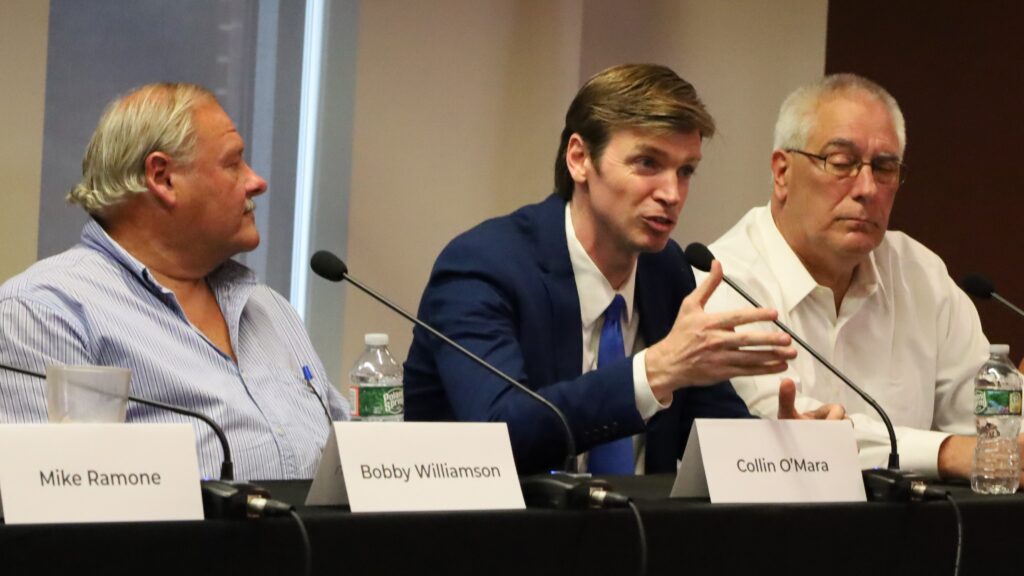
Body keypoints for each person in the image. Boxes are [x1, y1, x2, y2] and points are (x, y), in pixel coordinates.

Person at [404, 64, 842, 475]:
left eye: (685, 170)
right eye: (647, 163)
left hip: (636, 544)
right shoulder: (483, 267)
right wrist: (653, 372)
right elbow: (499, 432)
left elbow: (712, 429)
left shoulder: (666, 270)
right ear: (579, 159)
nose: (672, 193)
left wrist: (788, 450)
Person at [0, 83, 348, 480]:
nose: (257, 182)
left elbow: (345, 470)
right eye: (234, 164)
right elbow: (55, 513)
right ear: (163, 178)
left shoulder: (268, 308)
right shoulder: (46, 312)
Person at [702, 73, 1005, 481]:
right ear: (782, 173)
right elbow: (794, 437)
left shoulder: (921, 275)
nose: (867, 188)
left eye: (884, 168)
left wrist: (1010, 416)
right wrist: (946, 452)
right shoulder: (724, 280)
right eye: (841, 163)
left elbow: (986, 424)